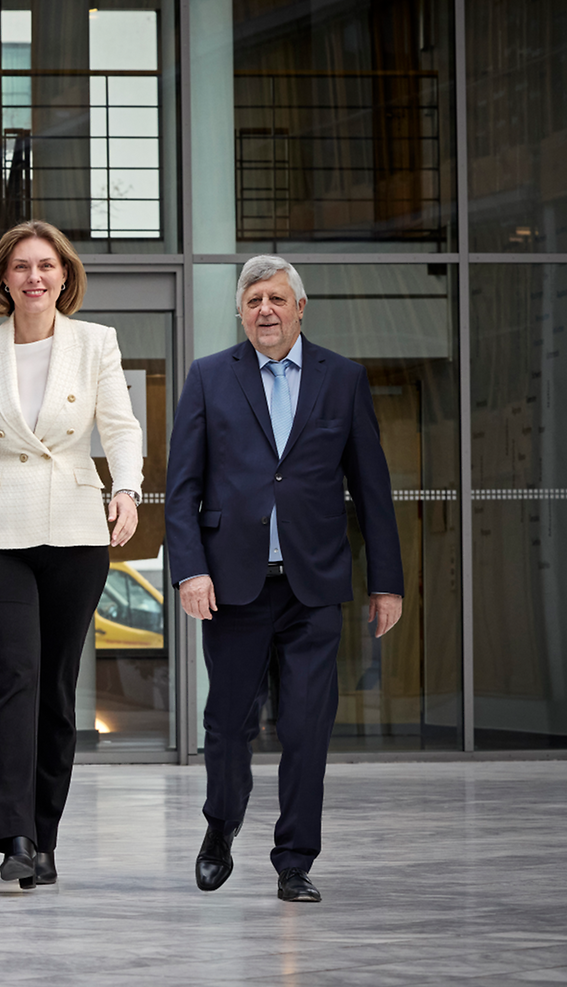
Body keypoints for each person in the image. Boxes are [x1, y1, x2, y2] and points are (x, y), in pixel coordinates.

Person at [165, 256, 403, 903]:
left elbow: (372, 488)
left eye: (275, 298)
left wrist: (388, 582)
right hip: (233, 586)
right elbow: (180, 488)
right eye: (252, 301)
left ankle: (294, 860)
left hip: (313, 586)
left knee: (305, 727)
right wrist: (189, 569)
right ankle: (221, 824)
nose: (264, 310)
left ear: (301, 307)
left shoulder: (342, 380)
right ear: (241, 313)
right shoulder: (210, 378)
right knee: (227, 725)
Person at [0, 220, 144, 889]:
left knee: (55, 689)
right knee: (14, 678)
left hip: (76, 533)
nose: (34, 277)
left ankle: (44, 838)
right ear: (3, 278)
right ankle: (12, 834)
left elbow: (120, 425)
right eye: (21, 266)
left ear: (65, 275)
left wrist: (129, 491)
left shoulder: (95, 343)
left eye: (46, 265)